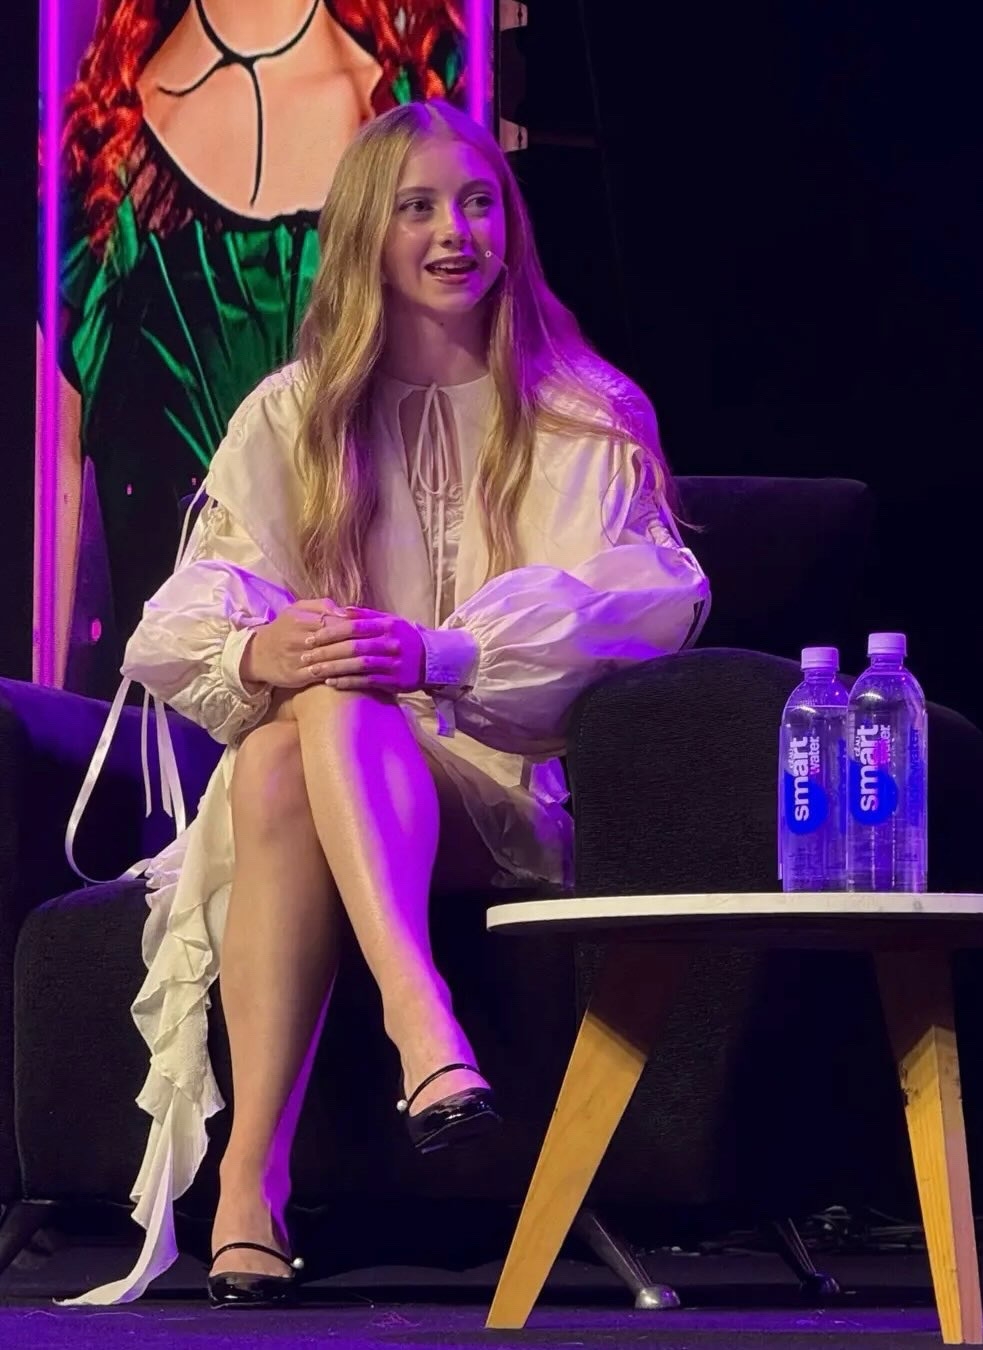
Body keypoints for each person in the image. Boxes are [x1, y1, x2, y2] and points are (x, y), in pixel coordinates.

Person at [64, 97, 710, 1309]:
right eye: (419, 208)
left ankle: (296, 1144)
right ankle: (351, 1102)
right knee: (295, 733)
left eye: (477, 204)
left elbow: (641, 602)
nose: (456, 233)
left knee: (337, 700)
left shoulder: (581, 412)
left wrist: (440, 654)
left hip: (497, 791)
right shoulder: (293, 414)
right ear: (369, 230)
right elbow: (178, 621)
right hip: (304, 792)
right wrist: (265, 647)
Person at [46, 0, 466, 689]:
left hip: (379, 675)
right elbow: (55, 467)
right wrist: (48, 720)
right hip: (170, 701)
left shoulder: (416, 100)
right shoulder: (99, 148)